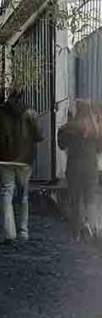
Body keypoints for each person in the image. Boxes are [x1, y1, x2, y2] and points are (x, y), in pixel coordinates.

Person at [0, 90, 42, 242]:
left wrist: (0, 143)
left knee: (6, 193)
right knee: (23, 195)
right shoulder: (31, 113)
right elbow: (39, 135)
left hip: (5, 158)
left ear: (8, 97)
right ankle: (24, 231)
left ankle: (10, 233)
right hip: (25, 159)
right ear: (22, 97)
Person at [58, 100, 102, 238]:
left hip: (74, 166)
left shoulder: (68, 127)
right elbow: (100, 149)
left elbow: (62, 145)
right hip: (91, 166)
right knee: (90, 198)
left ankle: (77, 231)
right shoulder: (96, 129)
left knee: (75, 199)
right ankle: (94, 229)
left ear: (77, 110)